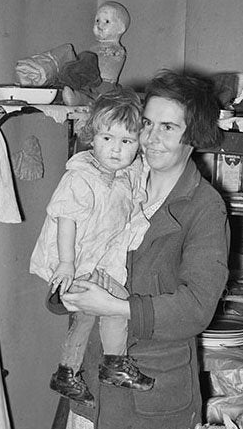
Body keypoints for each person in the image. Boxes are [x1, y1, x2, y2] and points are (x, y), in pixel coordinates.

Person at [58, 70, 229, 429]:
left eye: (168, 127)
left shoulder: (203, 209)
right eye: (146, 124)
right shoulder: (110, 181)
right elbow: (63, 251)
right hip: (91, 393)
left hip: (149, 405)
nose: (150, 139)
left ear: (193, 135)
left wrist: (114, 306)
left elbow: (196, 308)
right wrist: (64, 290)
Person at [29, 88, 155, 403]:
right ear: (92, 136)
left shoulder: (125, 174)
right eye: (107, 139)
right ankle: (113, 364)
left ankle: (66, 373)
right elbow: (65, 220)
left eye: (127, 142)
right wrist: (66, 263)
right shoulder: (80, 178)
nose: (115, 149)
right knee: (118, 303)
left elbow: (140, 179)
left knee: (86, 316)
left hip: (96, 261)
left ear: (138, 145)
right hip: (76, 261)